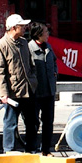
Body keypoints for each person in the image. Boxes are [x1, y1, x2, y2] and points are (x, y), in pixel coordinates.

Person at [0, 13, 37, 153]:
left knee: (32, 122)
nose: (24, 28)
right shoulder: (1, 45)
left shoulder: (24, 43)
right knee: (10, 123)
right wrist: (3, 94)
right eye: (21, 26)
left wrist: (33, 80)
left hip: (28, 89)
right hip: (12, 92)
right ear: (13, 28)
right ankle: (9, 151)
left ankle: (31, 149)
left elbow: (31, 64)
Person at [28, 21, 57, 155]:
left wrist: (54, 73)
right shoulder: (28, 49)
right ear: (38, 34)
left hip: (49, 91)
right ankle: (32, 149)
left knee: (48, 122)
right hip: (36, 92)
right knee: (33, 123)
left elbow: (54, 62)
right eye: (45, 32)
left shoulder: (49, 47)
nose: (47, 34)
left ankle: (46, 149)